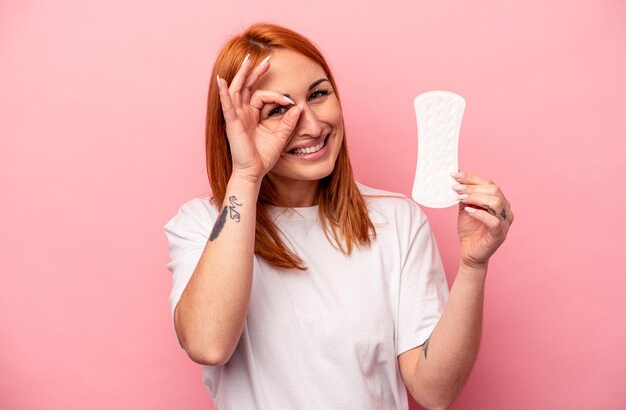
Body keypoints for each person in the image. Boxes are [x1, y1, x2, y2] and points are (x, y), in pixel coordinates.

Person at [163, 22, 513, 410]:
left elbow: (434, 392)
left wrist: (473, 265)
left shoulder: (396, 220)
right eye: (277, 109)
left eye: (318, 94)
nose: (311, 126)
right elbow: (208, 344)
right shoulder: (201, 225)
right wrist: (247, 174)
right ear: (233, 126)